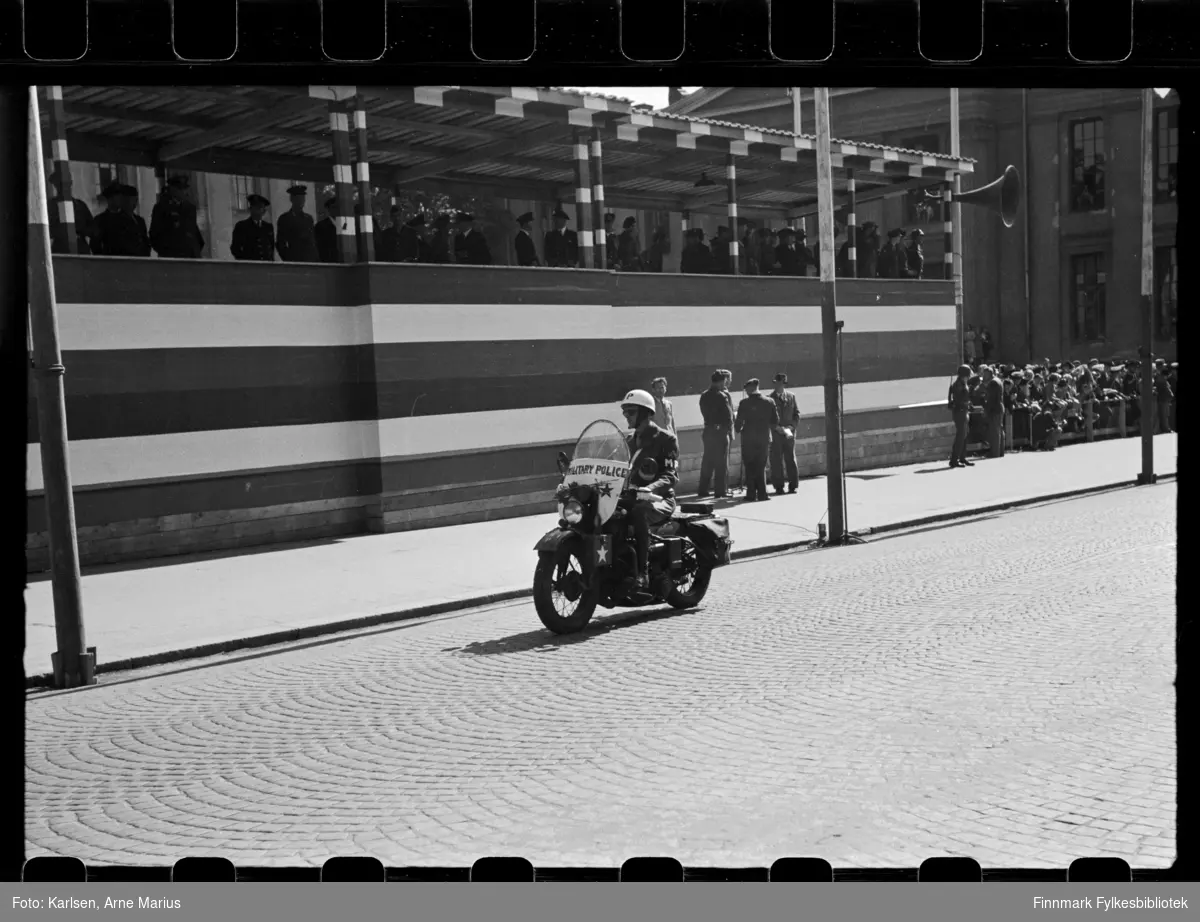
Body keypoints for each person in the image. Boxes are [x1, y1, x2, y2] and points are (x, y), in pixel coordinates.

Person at [618, 388, 680, 592]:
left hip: (659, 499)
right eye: (625, 412)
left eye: (631, 412)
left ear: (645, 413)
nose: (626, 416)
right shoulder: (627, 442)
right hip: (631, 496)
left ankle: (642, 573)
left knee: (639, 512)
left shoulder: (666, 439)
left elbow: (671, 475)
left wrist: (649, 488)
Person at [735, 378, 779, 502]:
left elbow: (738, 423)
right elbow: (775, 421)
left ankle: (751, 494)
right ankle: (762, 493)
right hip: (764, 437)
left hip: (748, 438)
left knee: (749, 466)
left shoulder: (744, 403)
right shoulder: (770, 401)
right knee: (761, 465)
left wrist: (739, 429)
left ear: (748, 389)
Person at [697, 370, 733, 499]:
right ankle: (720, 491)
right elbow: (728, 417)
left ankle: (703, 490)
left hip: (708, 430)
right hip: (720, 432)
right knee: (721, 463)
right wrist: (727, 430)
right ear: (722, 381)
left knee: (707, 461)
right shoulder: (721, 396)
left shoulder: (704, 395)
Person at [149, 175, 204, 258]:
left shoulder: (189, 208)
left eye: (185, 189)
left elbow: (193, 230)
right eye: (180, 189)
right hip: (172, 255)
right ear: (173, 189)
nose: (184, 192)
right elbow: (155, 235)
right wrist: (166, 251)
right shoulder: (162, 207)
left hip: (191, 255)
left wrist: (196, 248)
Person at [46, 173, 95, 255]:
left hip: (80, 248)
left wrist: (80, 229)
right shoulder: (51, 205)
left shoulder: (80, 205)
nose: (62, 187)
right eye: (59, 184)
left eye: (65, 183)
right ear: (55, 185)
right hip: (60, 248)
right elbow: (46, 229)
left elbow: (93, 229)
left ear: (70, 183)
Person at [768, 373, 801, 494]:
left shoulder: (791, 396)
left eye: (779, 383)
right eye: (775, 383)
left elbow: (797, 414)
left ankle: (793, 485)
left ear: (783, 384)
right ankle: (778, 486)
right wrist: (776, 428)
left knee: (790, 459)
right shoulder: (770, 398)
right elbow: (768, 417)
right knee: (776, 460)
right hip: (776, 434)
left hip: (789, 433)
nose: (777, 385)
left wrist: (792, 427)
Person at [275, 185, 319, 262]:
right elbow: (280, 243)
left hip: (311, 260)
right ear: (292, 199)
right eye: (298, 198)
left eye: (303, 198)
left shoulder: (308, 218)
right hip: (295, 260)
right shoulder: (285, 218)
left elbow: (313, 241)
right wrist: (289, 259)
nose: (301, 201)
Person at [230, 193, 275, 261]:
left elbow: (271, 247)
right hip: (250, 266)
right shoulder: (242, 226)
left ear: (264, 211)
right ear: (250, 209)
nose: (258, 211)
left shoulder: (268, 227)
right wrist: (244, 261)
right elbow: (235, 248)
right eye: (255, 207)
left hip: (266, 266)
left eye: (260, 208)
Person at [947, 364, 974, 468]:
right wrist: (967, 404)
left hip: (964, 411)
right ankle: (954, 460)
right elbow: (959, 400)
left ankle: (962, 457)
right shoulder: (958, 384)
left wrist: (969, 404)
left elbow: (965, 397)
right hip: (960, 412)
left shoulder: (963, 383)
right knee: (960, 436)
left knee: (965, 435)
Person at [119, 184, 151, 256]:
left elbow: (145, 241)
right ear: (124, 200)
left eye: (136, 200)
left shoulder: (140, 220)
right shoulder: (117, 220)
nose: (135, 203)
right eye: (131, 200)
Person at [982, 365, 1005, 458]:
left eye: (984, 374)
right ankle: (1000, 452)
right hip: (999, 407)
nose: (983, 376)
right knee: (999, 430)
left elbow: (991, 399)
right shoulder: (998, 380)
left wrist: (985, 408)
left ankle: (994, 453)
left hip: (995, 408)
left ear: (988, 374)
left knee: (994, 432)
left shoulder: (992, 383)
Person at [314, 198, 340, 263]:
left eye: (338, 207)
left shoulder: (345, 224)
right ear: (328, 209)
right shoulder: (321, 226)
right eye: (334, 207)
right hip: (328, 261)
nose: (336, 210)